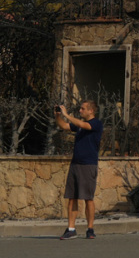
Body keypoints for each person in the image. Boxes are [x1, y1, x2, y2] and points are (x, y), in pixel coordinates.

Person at [55, 100, 104, 240]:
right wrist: (58, 116)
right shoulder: (79, 126)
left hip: (88, 165)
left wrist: (67, 114)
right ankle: (71, 229)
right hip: (75, 164)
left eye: (83, 109)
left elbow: (83, 124)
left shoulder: (96, 124)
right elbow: (64, 126)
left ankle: (90, 229)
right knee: (72, 197)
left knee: (88, 198)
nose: (80, 111)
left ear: (91, 111)